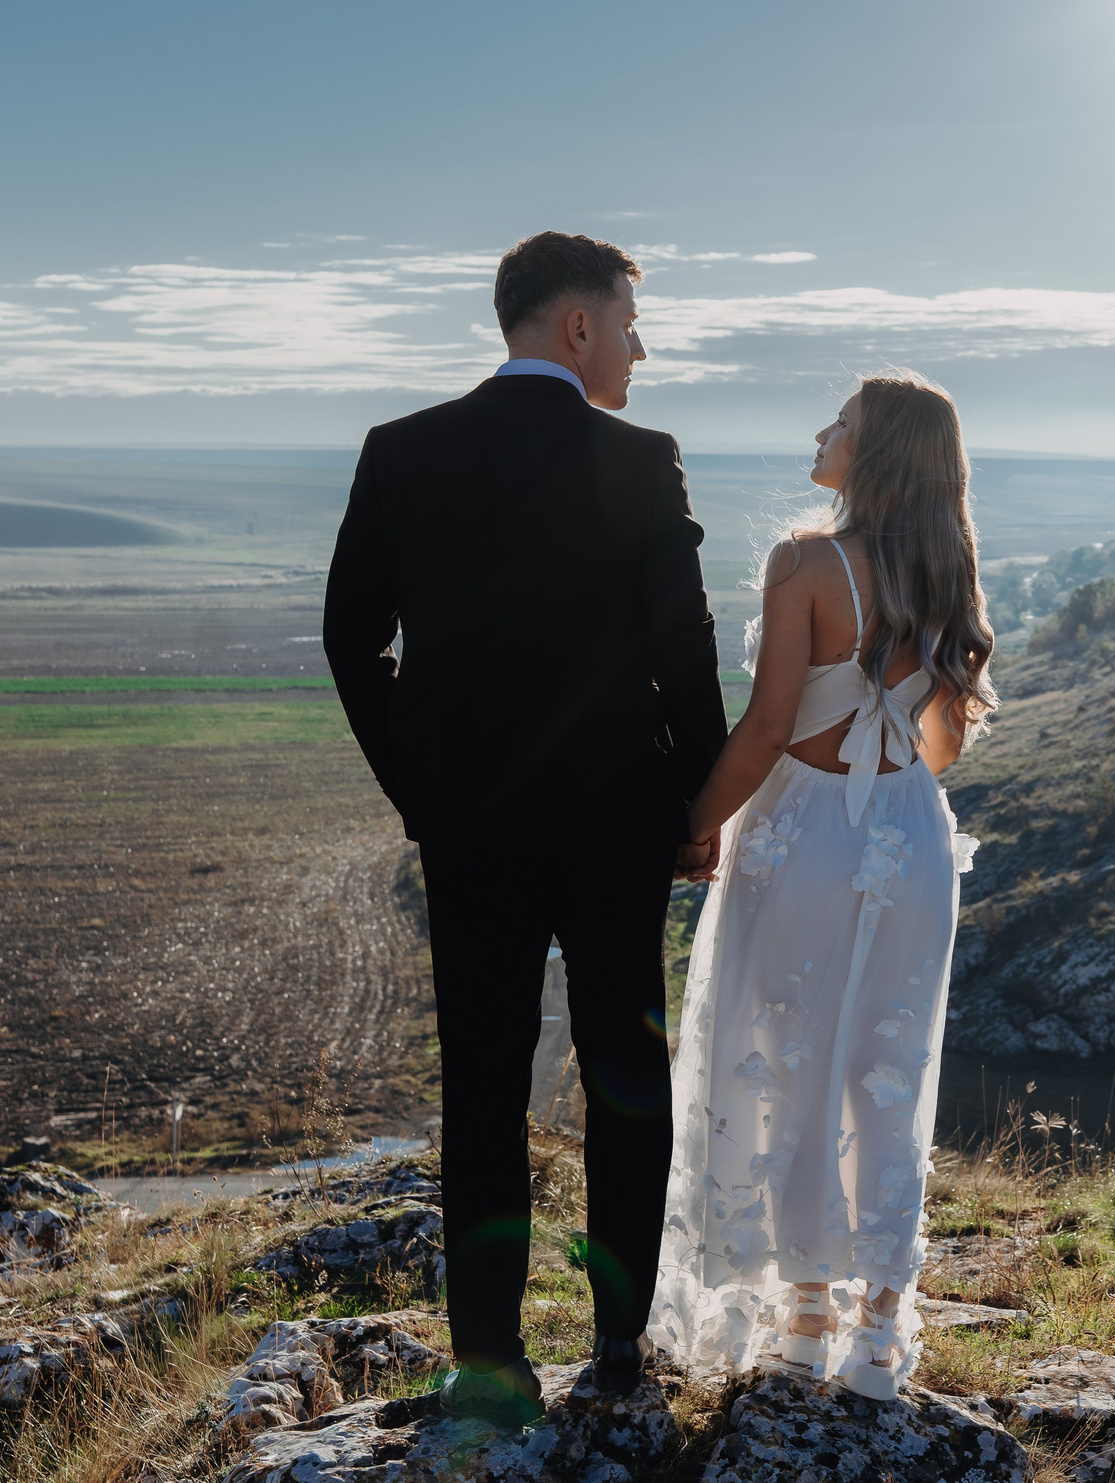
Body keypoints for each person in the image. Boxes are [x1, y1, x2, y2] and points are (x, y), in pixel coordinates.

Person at [323, 231, 727, 1430]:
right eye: (631, 325)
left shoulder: (403, 452)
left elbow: (353, 642)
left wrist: (421, 786)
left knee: (484, 1084)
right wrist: (698, 803)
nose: (641, 352)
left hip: (472, 830)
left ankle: (490, 1363)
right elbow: (684, 656)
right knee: (624, 1079)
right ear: (578, 328)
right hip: (618, 823)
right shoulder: (644, 459)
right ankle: (615, 1350)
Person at [648, 373, 994, 1400]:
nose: (820, 432)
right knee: (884, 1067)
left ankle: (801, 1319)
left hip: (803, 830)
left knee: (772, 1055)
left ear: (875, 449)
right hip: (908, 838)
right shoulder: (947, 570)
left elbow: (765, 731)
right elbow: (937, 747)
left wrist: (693, 825)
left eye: (838, 422)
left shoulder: (804, 561)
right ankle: (878, 1330)